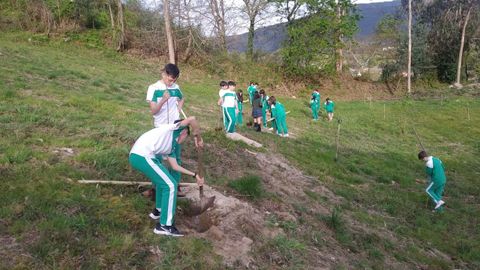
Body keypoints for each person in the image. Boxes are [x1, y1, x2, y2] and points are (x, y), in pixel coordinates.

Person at [129, 117, 204, 237]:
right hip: (142, 156)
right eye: (186, 136)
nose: (184, 139)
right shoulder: (174, 130)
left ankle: (158, 211)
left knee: (164, 182)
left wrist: (195, 175)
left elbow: (175, 166)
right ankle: (165, 226)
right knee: (170, 185)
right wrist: (198, 138)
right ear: (184, 132)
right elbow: (193, 119)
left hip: (142, 156)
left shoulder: (171, 146)